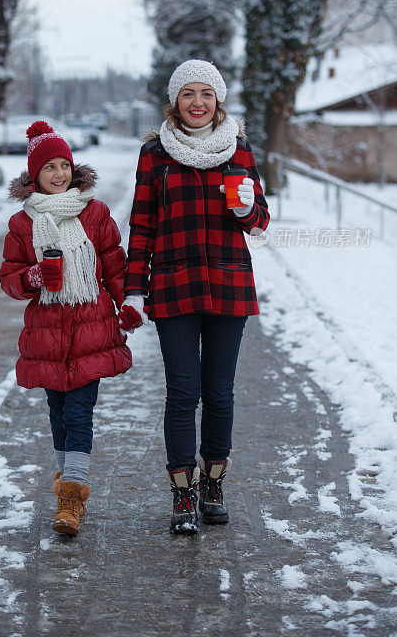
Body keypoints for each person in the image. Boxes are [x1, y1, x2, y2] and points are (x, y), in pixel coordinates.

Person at [119, 59, 270, 534]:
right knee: (183, 393)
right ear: (175, 102)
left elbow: (261, 221)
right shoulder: (154, 153)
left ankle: (213, 485)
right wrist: (132, 289)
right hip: (173, 283)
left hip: (228, 282)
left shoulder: (238, 150)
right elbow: (142, 224)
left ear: (219, 101)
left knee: (219, 394)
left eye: (207, 94)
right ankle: (182, 495)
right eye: (188, 94)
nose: (198, 103)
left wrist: (248, 208)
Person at [0, 121, 132, 537]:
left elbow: (114, 264)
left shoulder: (95, 213)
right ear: (34, 176)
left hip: (91, 331)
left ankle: (72, 498)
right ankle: (65, 485)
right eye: (49, 168)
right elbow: (9, 278)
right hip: (47, 334)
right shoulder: (23, 223)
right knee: (57, 412)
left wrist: (127, 303)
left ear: (74, 169)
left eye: (64, 165)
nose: (58, 174)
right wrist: (35, 276)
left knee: (79, 412)